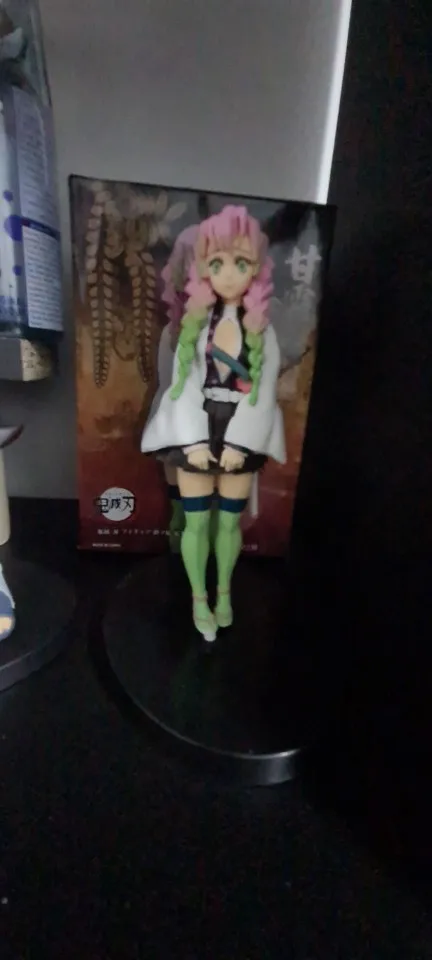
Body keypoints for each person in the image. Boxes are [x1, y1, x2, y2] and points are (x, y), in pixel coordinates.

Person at [142, 205, 286, 641]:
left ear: (256, 268)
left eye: (240, 263)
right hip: (197, 429)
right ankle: (198, 598)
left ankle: (224, 592)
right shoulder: (193, 326)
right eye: (216, 263)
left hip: (240, 428)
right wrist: (193, 442)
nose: (227, 274)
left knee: (228, 523)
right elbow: (181, 386)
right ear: (202, 266)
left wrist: (241, 443)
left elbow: (264, 392)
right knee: (196, 521)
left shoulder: (262, 331)